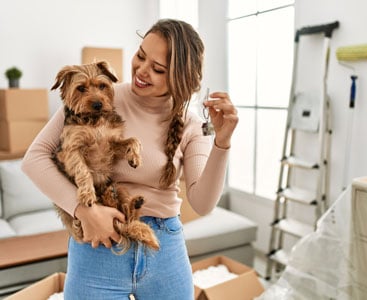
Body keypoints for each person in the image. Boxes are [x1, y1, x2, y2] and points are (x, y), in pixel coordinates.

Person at [22, 18, 238, 299]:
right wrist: (83, 210)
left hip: (165, 252)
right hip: (98, 246)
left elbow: (203, 203)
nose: (142, 71)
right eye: (140, 56)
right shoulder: (99, 96)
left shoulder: (191, 124)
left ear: (180, 79)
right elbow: (34, 158)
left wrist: (222, 142)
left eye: (158, 69)